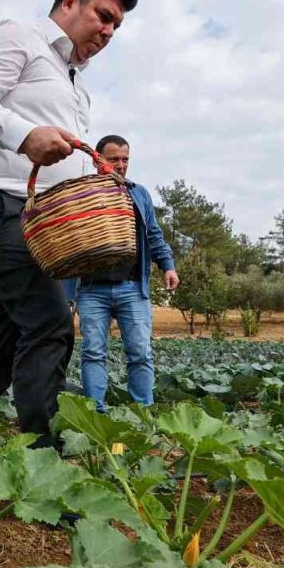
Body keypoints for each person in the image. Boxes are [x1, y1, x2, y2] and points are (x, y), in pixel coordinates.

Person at [0, 0, 139, 447]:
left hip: (44, 227)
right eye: (104, 16)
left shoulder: (76, 86)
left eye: (117, 26)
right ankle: (42, 451)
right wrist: (25, 134)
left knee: (8, 330)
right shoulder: (19, 35)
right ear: (71, 1)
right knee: (52, 321)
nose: (109, 31)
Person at [75, 135, 179, 411]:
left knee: (140, 354)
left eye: (125, 159)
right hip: (92, 290)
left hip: (132, 288)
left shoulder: (139, 194)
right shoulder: (82, 195)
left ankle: (142, 414)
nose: (120, 165)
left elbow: (154, 234)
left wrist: (167, 265)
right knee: (93, 353)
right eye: (114, 159)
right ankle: (95, 414)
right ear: (97, 160)